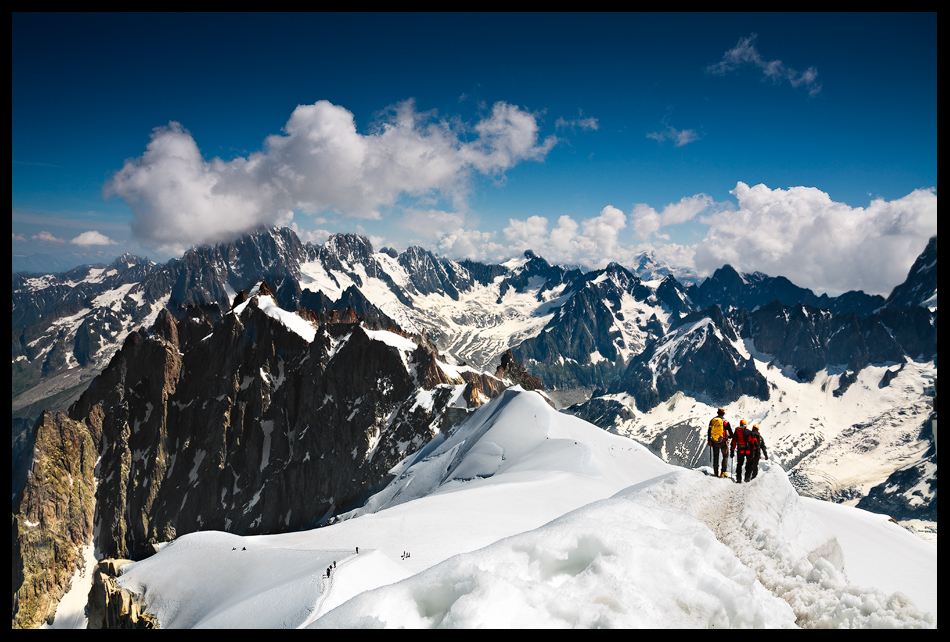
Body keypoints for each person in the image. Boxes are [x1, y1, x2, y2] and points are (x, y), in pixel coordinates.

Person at [707, 408, 733, 477]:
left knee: (716, 457)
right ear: (723, 414)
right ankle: (723, 472)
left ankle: (715, 473)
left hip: (714, 442)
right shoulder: (726, 422)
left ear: (717, 413)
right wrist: (728, 436)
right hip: (723, 442)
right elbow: (731, 434)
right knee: (725, 456)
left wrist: (709, 440)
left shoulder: (712, 421)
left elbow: (709, 431)